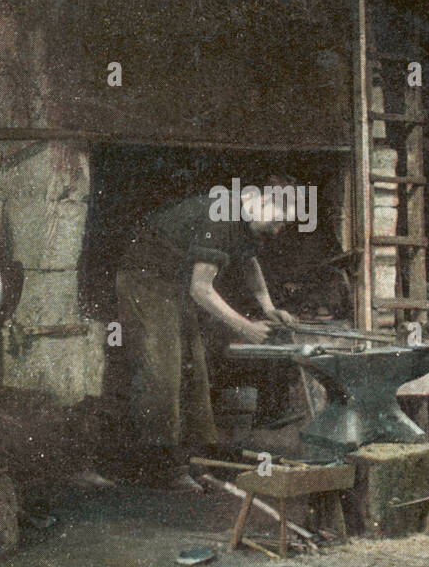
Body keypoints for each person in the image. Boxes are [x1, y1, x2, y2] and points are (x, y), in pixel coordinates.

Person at [114, 180, 298, 491]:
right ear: (264, 201)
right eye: (279, 221)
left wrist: (267, 307)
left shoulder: (246, 219)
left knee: (194, 371)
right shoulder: (222, 215)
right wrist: (244, 326)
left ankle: (192, 461)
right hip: (144, 279)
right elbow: (200, 288)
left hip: (173, 283)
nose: (279, 231)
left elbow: (249, 261)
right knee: (163, 374)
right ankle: (162, 468)